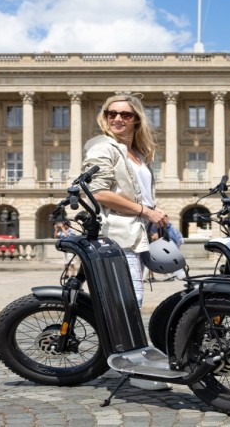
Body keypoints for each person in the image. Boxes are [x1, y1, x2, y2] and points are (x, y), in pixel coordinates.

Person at [82, 93, 171, 391]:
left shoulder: (138, 153)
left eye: (125, 114)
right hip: (118, 234)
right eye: (111, 113)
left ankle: (131, 360)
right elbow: (97, 192)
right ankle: (135, 369)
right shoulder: (102, 147)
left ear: (137, 119)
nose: (117, 119)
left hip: (138, 233)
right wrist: (146, 211)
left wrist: (153, 217)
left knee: (132, 300)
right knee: (127, 303)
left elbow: (139, 194)